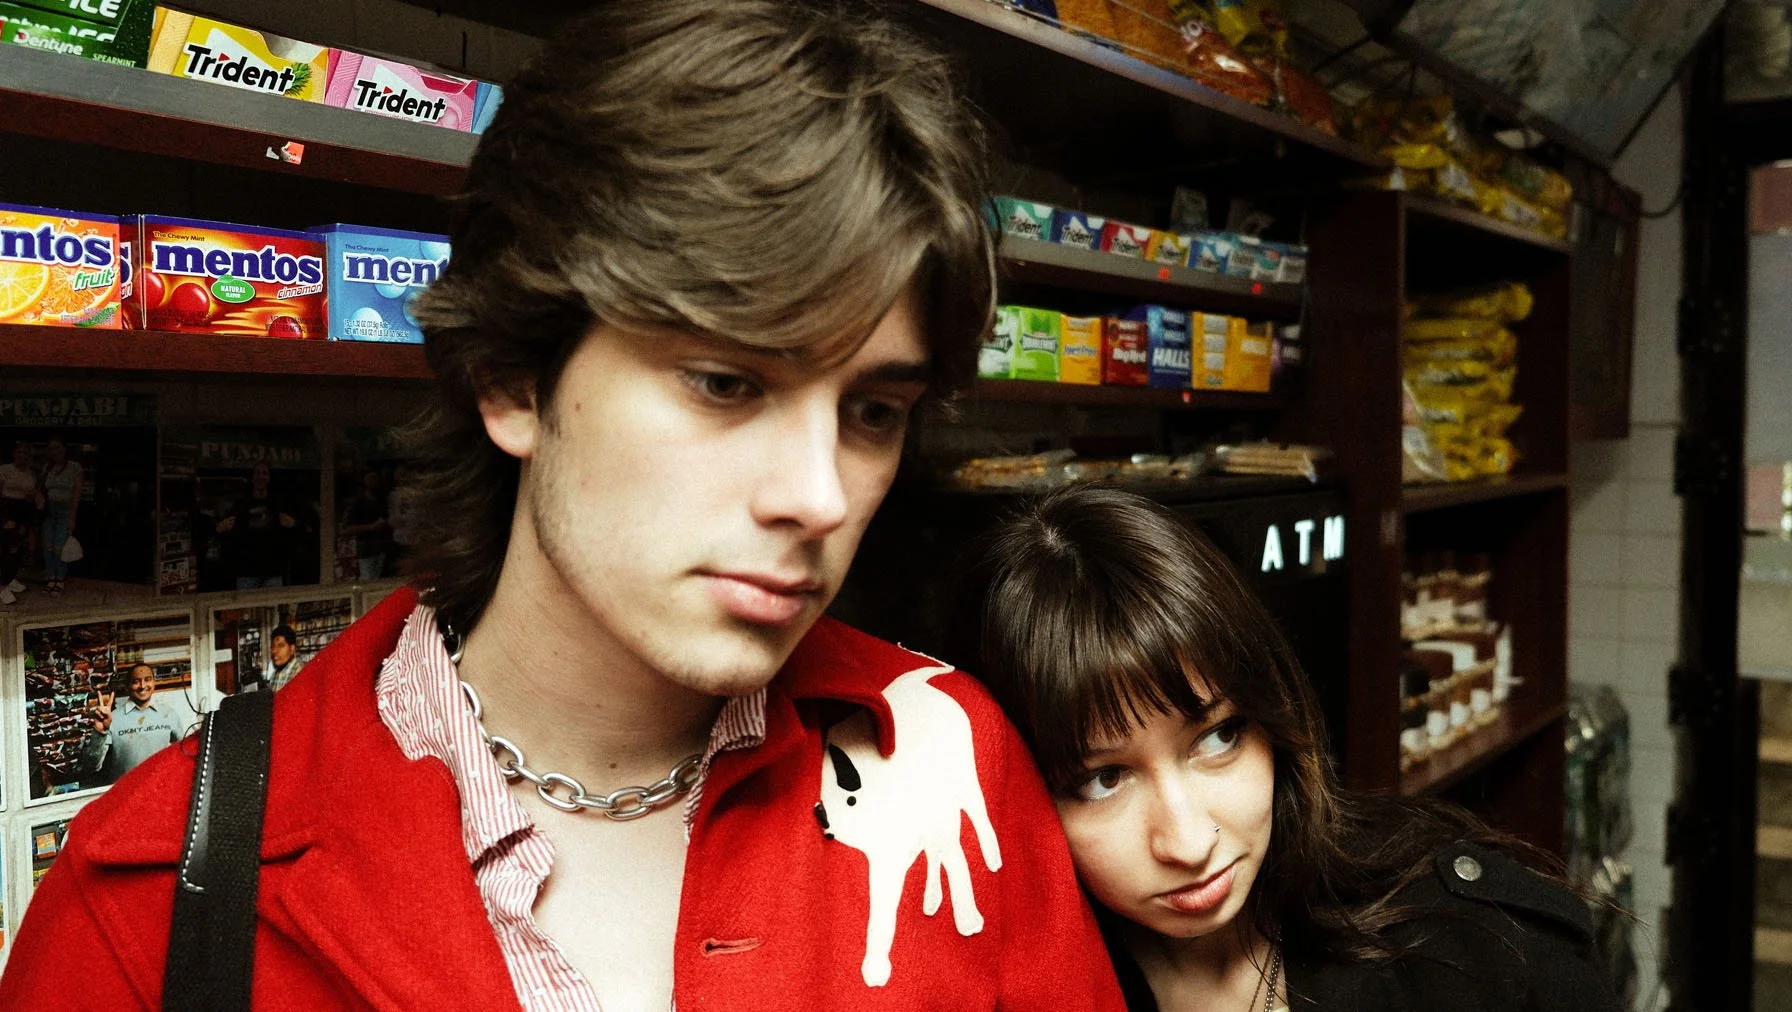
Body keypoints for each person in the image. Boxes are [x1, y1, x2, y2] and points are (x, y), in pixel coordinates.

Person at [0, 4, 1126, 1010]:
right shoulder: (154, 895)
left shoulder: (953, 761)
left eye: (874, 411)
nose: (819, 496)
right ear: (513, 378)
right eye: (727, 383)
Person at [964, 486, 1620, 1012]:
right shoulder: (1012, 988)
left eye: (1218, 738)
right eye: (1103, 779)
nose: (1188, 844)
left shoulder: (1476, 953)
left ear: (1275, 717)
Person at [77, 663, 197, 787]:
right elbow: (91, 766)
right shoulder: (113, 718)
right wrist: (99, 731)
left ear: (154, 682)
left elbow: (184, 754)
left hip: (160, 789)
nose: (142, 686)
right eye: (136, 681)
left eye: (147, 680)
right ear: (127, 686)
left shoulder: (169, 714)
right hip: (124, 793)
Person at [216, 458, 297, 589]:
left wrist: (294, 525)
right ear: (252, 477)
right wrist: (220, 529)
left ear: (269, 478)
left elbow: (294, 532)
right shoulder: (240, 505)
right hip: (246, 573)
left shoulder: (278, 504)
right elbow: (227, 533)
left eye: (265, 473)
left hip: (273, 573)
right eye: (257, 473)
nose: (261, 476)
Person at [37, 438, 80, 598]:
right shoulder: (47, 467)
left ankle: (60, 579)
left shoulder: (75, 467)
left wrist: (72, 516)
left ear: (64, 449)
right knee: (48, 546)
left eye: (58, 447)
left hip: (65, 510)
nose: (56, 451)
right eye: (52, 448)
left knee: (59, 547)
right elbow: (40, 488)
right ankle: (50, 578)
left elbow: (76, 494)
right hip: (49, 510)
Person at [0, 442, 38, 605]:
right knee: (8, 548)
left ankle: (11, 578)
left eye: (25, 453)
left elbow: (30, 496)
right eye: (19, 452)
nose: (22, 455)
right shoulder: (4, 469)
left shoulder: (31, 473)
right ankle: (2, 586)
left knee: (19, 548)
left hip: (24, 511)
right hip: (6, 510)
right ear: (14, 454)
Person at [339, 468, 392, 580]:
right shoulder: (358, 502)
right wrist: (371, 527)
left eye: (375, 478)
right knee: (368, 579)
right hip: (366, 548)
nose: (373, 481)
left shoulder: (383, 500)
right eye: (370, 478)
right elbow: (347, 528)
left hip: (383, 547)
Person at [264, 623, 303, 691]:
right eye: (273, 646)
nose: (274, 651)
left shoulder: (299, 674)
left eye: (280, 646)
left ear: (292, 649)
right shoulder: (275, 675)